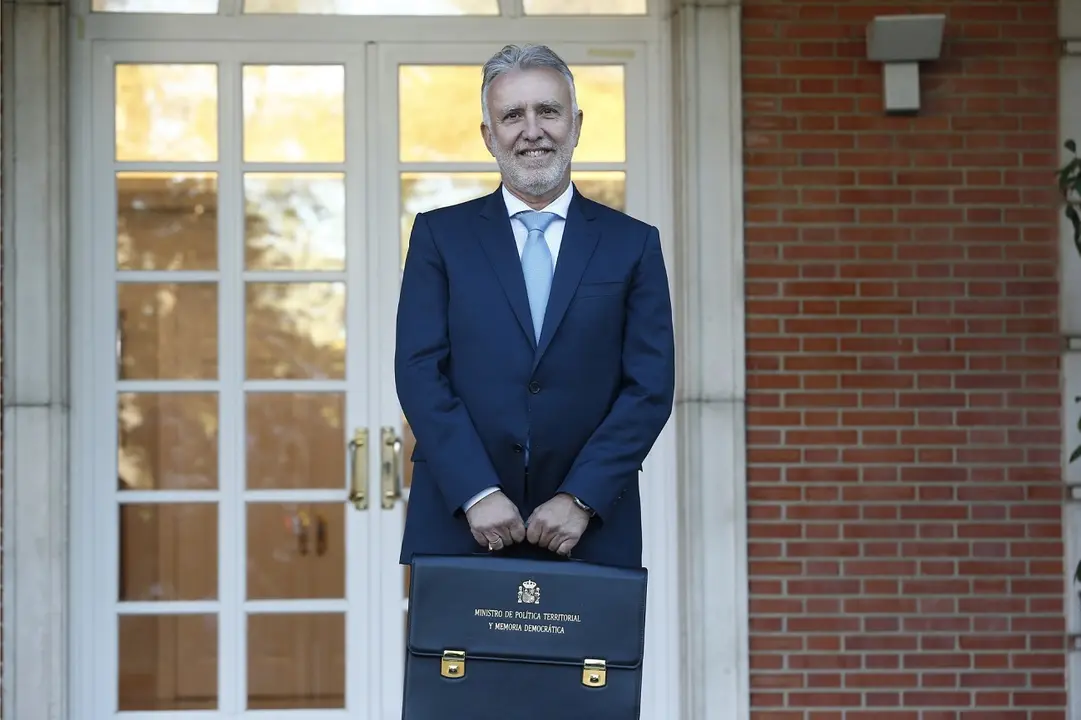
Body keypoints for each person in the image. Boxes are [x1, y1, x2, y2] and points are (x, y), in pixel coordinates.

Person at [394, 43, 675, 569]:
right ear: (488, 135)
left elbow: (650, 386)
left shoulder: (632, 244)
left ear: (576, 123)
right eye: (511, 115)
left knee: (586, 658)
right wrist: (475, 491)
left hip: (587, 528)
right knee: (460, 658)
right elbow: (418, 371)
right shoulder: (439, 237)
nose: (532, 129)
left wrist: (581, 497)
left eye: (548, 110)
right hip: (462, 521)